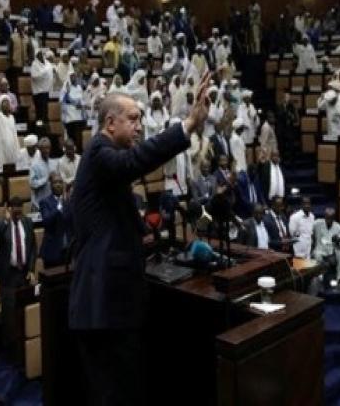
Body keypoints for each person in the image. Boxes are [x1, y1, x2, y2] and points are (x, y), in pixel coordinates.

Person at [68, 72, 209, 406]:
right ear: (110, 122)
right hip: (103, 305)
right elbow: (135, 161)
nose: (139, 126)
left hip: (116, 304)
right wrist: (188, 125)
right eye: (132, 119)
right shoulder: (99, 151)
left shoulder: (109, 161)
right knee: (111, 394)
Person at [0, 196, 36, 349]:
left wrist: (31, 269)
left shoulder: (28, 222)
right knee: (9, 314)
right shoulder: (1, 222)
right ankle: (9, 348)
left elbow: (32, 248)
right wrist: (6, 221)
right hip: (8, 276)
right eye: (14, 207)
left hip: (24, 275)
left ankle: (22, 347)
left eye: (20, 207)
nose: (17, 210)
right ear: (8, 208)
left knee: (23, 312)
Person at [39, 173, 72, 268]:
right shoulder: (45, 202)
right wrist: (58, 208)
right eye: (55, 182)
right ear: (51, 185)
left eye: (60, 182)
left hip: (67, 251)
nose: (58, 185)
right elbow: (46, 221)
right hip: (52, 251)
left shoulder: (68, 202)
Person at [312, 208, 340, 291]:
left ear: (334, 218)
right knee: (317, 255)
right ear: (324, 217)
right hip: (319, 250)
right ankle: (320, 282)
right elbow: (308, 230)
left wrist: (337, 242)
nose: (329, 220)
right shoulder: (317, 223)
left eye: (331, 218)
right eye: (327, 218)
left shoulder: (338, 227)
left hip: (332, 251)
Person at [0, 94, 21, 166]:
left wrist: (17, 149)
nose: (7, 104)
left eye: (8, 102)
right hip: (1, 148)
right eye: (4, 102)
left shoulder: (12, 118)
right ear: (0, 105)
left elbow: (15, 135)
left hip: (12, 147)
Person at [31, 49, 54, 124]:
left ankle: (45, 128)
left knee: (45, 113)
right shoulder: (34, 64)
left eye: (41, 54)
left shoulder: (47, 63)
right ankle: (39, 128)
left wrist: (46, 72)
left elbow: (50, 72)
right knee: (39, 114)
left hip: (46, 91)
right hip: (38, 93)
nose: (41, 55)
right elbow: (34, 76)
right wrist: (44, 72)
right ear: (36, 55)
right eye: (39, 54)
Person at [29, 137, 53, 207]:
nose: (46, 150)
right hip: (40, 203)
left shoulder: (53, 163)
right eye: (44, 148)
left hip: (52, 202)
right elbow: (32, 184)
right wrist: (46, 179)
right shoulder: (34, 165)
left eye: (48, 148)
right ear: (40, 149)